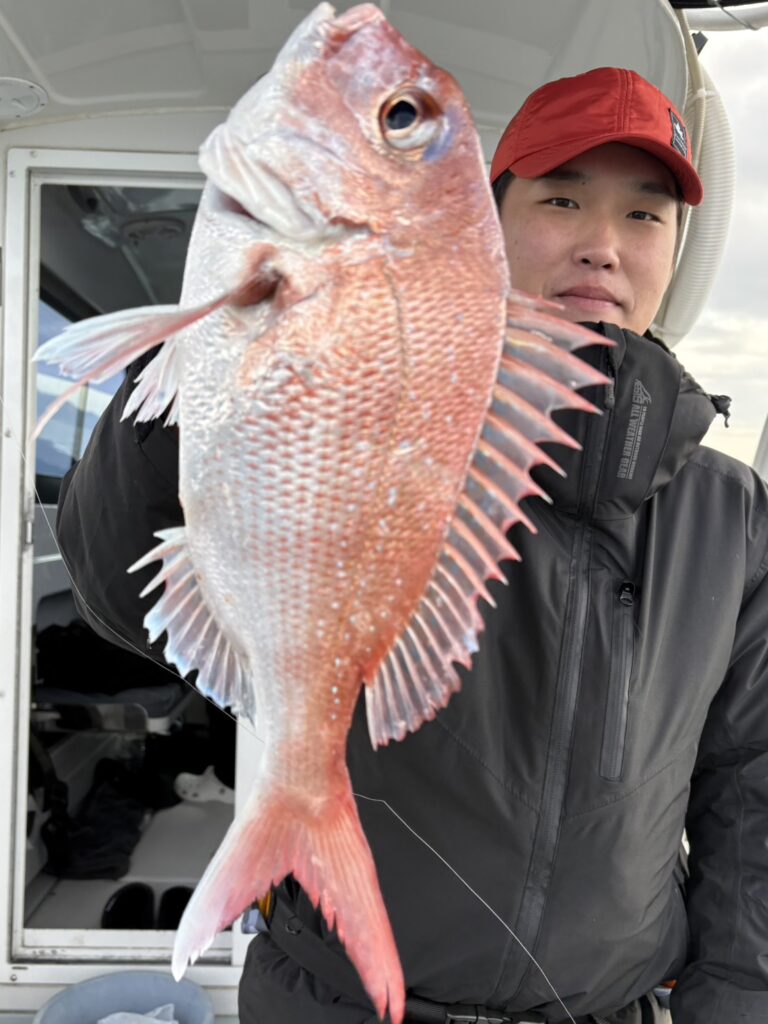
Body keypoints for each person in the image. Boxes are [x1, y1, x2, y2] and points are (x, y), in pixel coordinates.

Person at [55, 66, 768, 1024]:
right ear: (490, 226)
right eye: (562, 200)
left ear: (676, 249)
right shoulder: (385, 426)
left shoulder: (733, 512)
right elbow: (122, 597)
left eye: (644, 216)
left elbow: (750, 788)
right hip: (336, 1002)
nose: (603, 245)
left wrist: (738, 1003)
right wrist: (208, 349)